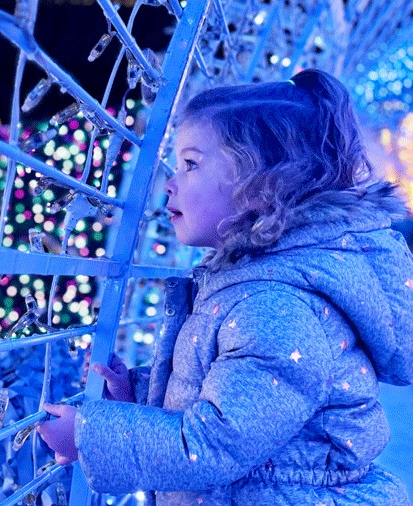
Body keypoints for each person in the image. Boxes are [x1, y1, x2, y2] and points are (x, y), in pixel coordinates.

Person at [38, 69, 413, 505]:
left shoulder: (276, 306)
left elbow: (216, 442)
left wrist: (90, 438)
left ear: (261, 185)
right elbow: (234, 396)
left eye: (191, 164)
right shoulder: (249, 283)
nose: (170, 183)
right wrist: (137, 394)